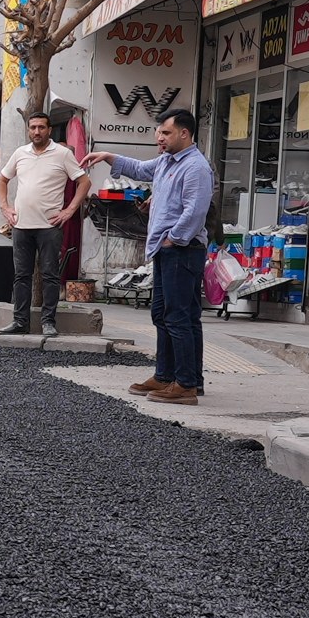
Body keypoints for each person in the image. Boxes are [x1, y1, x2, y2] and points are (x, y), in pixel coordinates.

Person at [88, 108, 214, 406]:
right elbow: (141, 169)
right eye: (159, 133)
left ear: (184, 133)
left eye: (166, 133)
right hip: (167, 249)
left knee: (178, 317)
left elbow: (195, 211)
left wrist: (173, 239)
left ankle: (185, 385)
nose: (160, 138)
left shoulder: (195, 166)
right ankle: (169, 376)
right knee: (165, 314)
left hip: (181, 250)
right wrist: (108, 157)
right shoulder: (168, 161)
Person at [0, 107, 87, 337]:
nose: (37, 132)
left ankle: (48, 322)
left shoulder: (62, 154)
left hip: (50, 226)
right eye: (33, 128)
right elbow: (2, 180)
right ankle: (20, 321)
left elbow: (84, 182)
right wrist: (5, 207)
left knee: (50, 275)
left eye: (41, 127)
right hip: (21, 226)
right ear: (28, 130)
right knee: (21, 276)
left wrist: (69, 210)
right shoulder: (20, 153)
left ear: (49, 130)